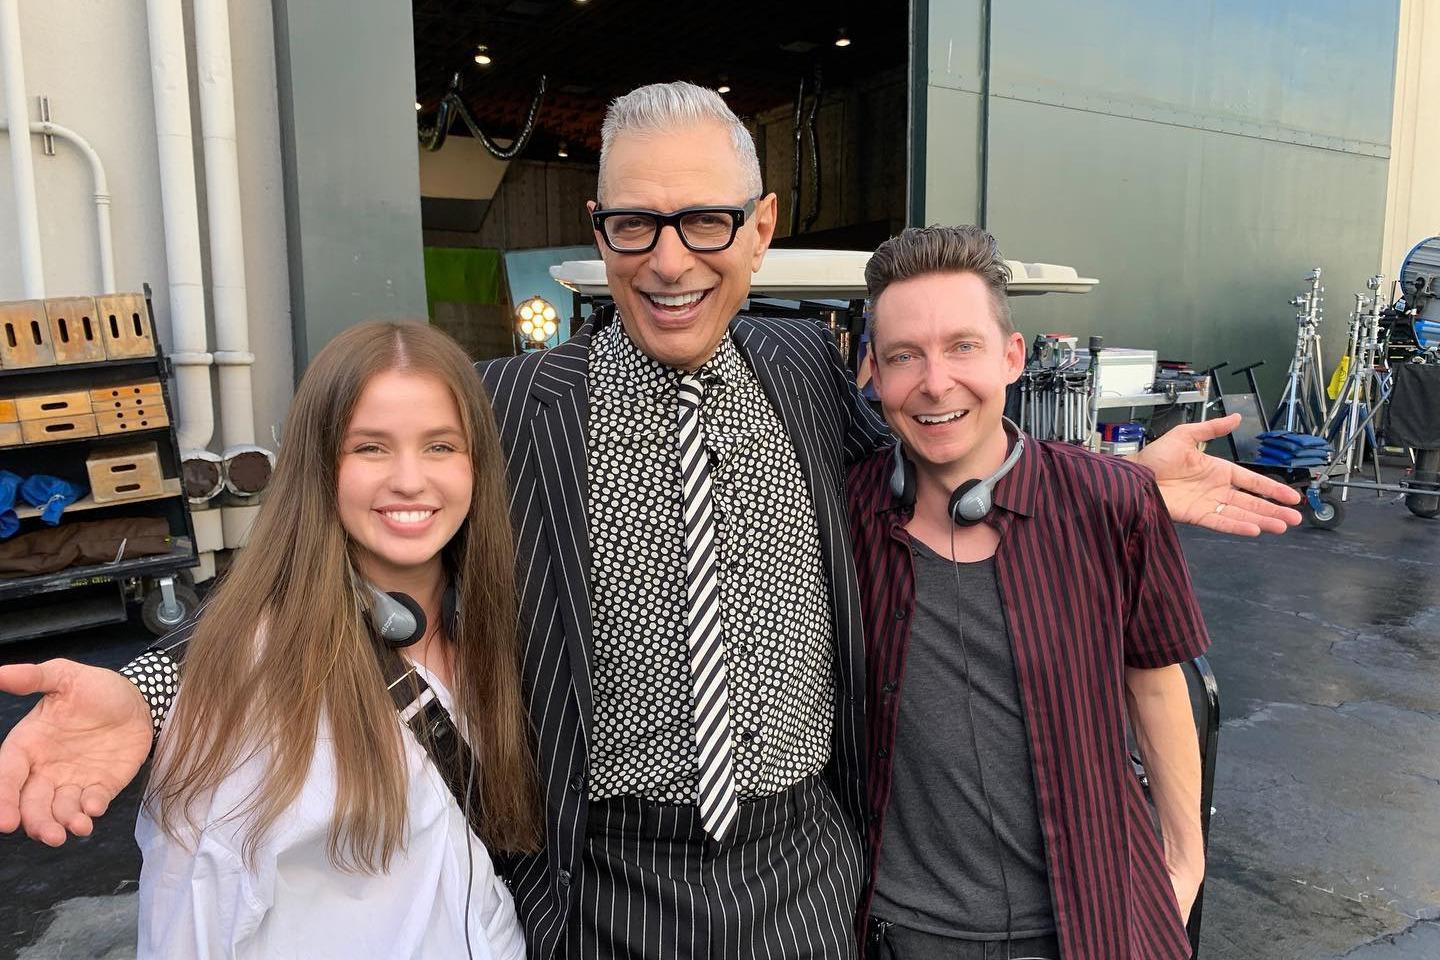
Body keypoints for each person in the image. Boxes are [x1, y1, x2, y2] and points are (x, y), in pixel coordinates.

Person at [0, 83, 1299, 960]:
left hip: (808, 874)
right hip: (606, 885)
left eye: (705, 221)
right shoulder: (506, 406)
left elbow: (944, 432)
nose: (670, 259)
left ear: (760, 227)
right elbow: (347, 565)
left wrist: (1102, 478)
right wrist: (161, 691)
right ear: (599, 227)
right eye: (634, 222)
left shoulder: (806, 374)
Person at [849, 226, 1213, 960]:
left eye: (962, 346)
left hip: (1089, 924)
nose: (935, 382)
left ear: (1012, 357)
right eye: (903, 356)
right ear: (875, 376)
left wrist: (1184, 860)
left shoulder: (1113, 502)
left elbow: (1158, 683)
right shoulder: (843, 510)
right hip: (899, 933)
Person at [136, 321, 539, 957]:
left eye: (440, 446)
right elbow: (194, 916)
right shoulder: (254, 676)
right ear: (319, 468)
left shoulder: (506, 637)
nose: (410, 480)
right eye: (371, 448)